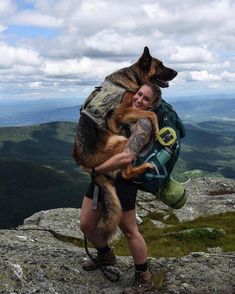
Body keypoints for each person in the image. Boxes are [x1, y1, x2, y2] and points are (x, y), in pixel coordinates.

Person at [80, 82, 161, 294]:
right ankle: (105, 255)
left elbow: (127, 156)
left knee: (129, 230)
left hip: (123, 181)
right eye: (139, 94)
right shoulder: (125, 113)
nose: (139, 100)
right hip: (102, 176)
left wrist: (96, 168)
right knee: (87, 224)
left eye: (146, 99)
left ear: (152, 105)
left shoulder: (143, 123)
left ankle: (144, 276)